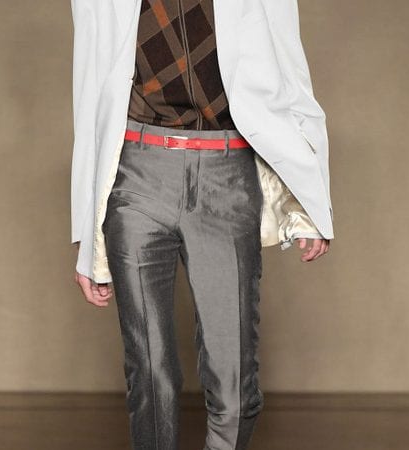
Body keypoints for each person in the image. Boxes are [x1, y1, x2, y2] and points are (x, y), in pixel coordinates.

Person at [70, 1, 333, 449]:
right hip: (136, 172)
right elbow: (89, 91)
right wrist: (85, 233)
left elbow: (293, 78)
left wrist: (311, 200)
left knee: (236, 386)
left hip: (226, 174)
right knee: (149, 372)